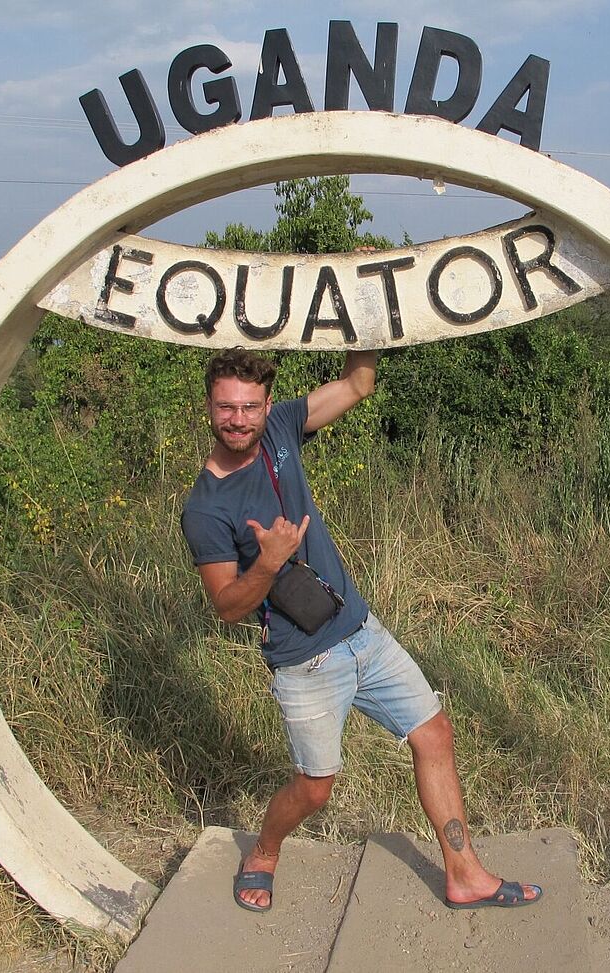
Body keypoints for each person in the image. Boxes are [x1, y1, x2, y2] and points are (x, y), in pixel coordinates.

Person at [180, 347, 543, 914]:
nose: (238, 419)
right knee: (314, 788)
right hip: (304, 661)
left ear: (266, 405)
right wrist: (270, 562)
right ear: (208, 406)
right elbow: (226, 606)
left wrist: (369, 310)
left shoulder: (280, 428)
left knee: (434, 734)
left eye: (249, 407)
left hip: (362, 631)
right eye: (226, 407)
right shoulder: (204, 508)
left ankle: (465, 874)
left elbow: (357, 384)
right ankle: (264, 851)